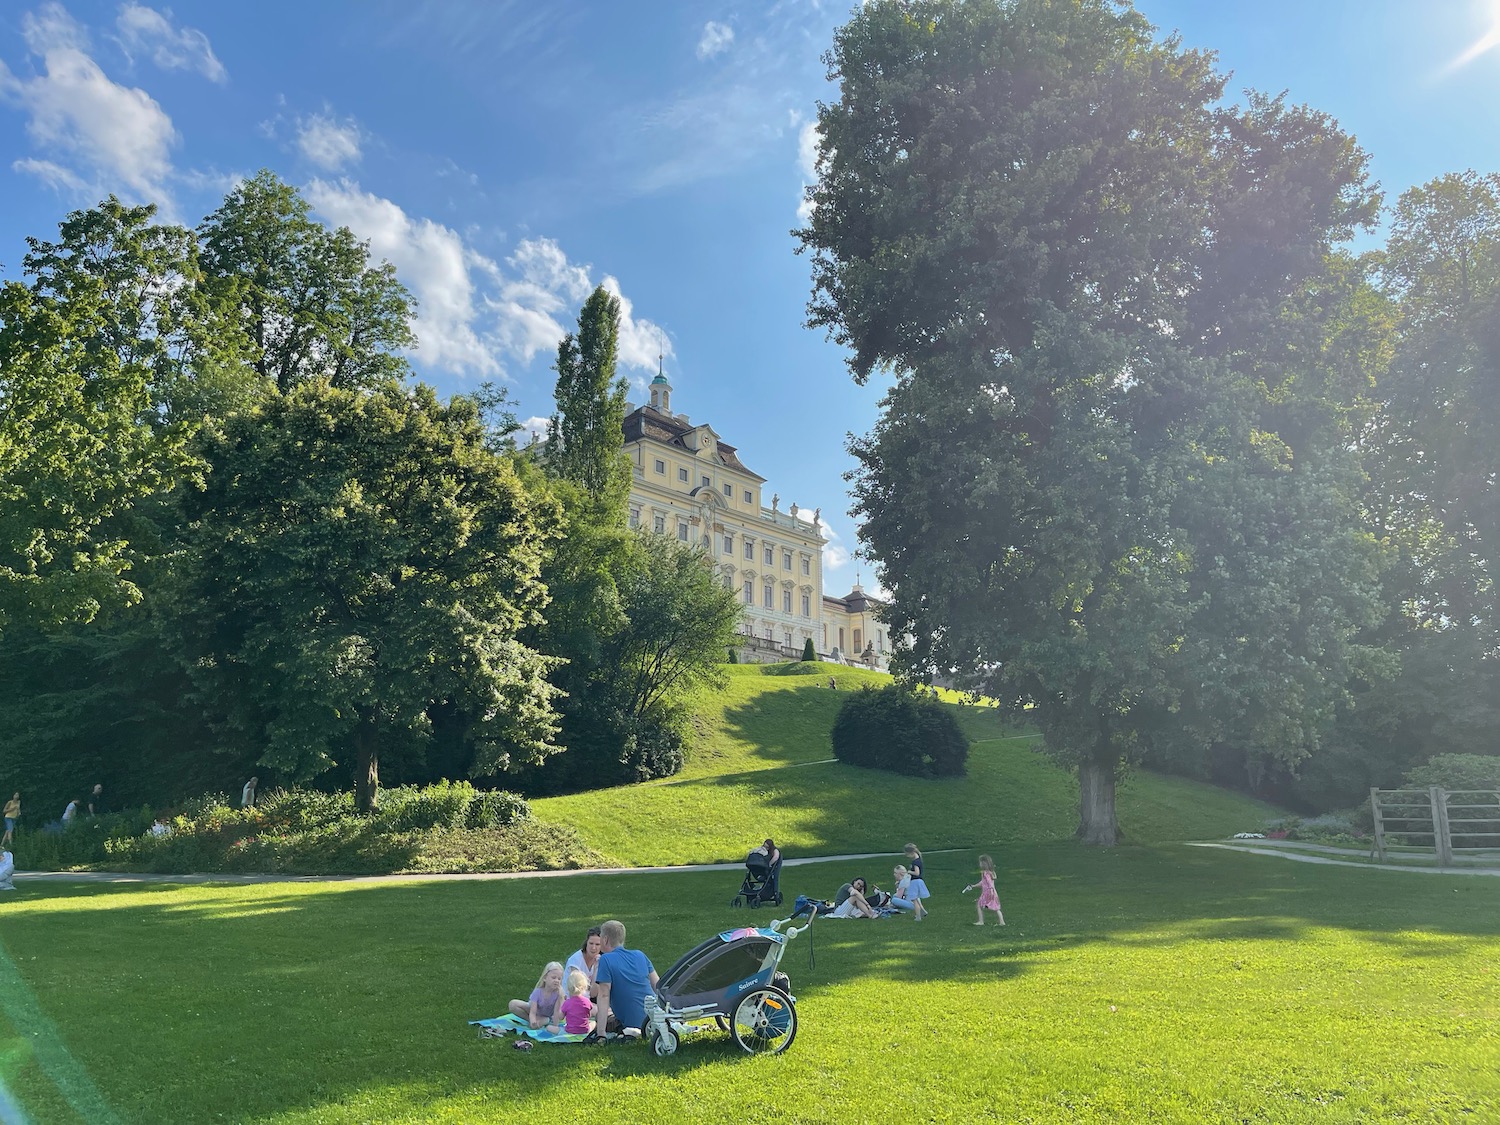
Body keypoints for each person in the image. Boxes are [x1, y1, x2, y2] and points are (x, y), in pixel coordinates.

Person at [594, 919, 658, 1035]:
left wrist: (600, 1033)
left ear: (605, 939)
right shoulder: (640, 955)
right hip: (654, 1019)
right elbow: (657, 985)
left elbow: (603, 995)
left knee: (600, 1016)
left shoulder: (606, 959)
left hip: (632, 1024)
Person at [507, 962, 564, 1029]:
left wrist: (555, 1026)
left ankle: (546, 1021)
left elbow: (557, 1012)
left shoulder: (558, 994)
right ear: (545, 978)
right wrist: (532, 1021)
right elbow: (533, 1011)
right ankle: (534, 1021)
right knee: (513, 1004)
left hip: (549, 1016)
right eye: (553, 978)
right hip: (535, 1012)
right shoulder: (538, 992)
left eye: (559, 979)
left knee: (546, 1022)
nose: (556, 981)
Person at [964, 854, 1006, 926]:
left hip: (988, 892)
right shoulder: (990, 872)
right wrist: (973, 886)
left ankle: (981, 921)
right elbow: (983, 883)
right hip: (993, 892)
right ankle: (1002, 922)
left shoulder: (985, 873)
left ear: (984, 863)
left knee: (979, 905)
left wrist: (990, 890)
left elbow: (989, 883)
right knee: (996, 907)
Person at [564, 926, 603, 996]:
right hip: (570, 999)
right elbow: (575, 991)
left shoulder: (600, 960)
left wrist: (596, 969)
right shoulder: (576, 960)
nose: (593, 947)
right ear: (586, 943)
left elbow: (593, 993)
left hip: (586, 999)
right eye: (591, 943)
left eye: (597, 944)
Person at [557, 969, 595, 1035]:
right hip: (585, 1030)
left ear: (568, 988)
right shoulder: (587, 1001)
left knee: (550, 1028)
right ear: (584, 987)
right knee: (594, 1023)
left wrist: (561, 1003)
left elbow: (560, 1017)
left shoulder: (567, 1003)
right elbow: (589, 1015)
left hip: (569, 1030)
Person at [903, 843, 931, 920]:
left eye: (907, 854)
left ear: (911, 853)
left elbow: (917, 873)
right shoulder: (918, 860)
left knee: (914, 899)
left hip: (915, 882)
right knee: (915, 898)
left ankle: (918, 916)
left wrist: (909, 872)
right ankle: (923, 911)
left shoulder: (915, 862)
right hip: (917, 881)